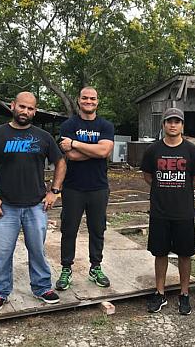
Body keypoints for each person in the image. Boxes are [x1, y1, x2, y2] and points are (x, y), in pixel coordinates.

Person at [0, 91, 66, 312]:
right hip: (4, 207)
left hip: (36, 206)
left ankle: (42, 287)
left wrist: (54, 191)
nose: (26, 111)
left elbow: (60, 162)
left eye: (30, 108)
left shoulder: (43, 137)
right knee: (2, 252)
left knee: (37, 250)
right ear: (12, 105)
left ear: (35, 111)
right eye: (22, 107)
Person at [140, 107, 195, 315]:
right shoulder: (153, 150)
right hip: (160, 212)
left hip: (183, 213)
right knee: (160, 253)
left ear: (182, 125)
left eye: (177, 121)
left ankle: (184, 294)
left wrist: (181, 191)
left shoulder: (192, 151)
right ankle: (160, 293)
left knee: (185, 254)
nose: (173, 125)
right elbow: (148, 176)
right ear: (164, 124)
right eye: (169, 121)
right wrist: (162, 189)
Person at [56, 86, 114, 290]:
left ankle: (95, 267)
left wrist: (76, 144)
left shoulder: (105, 125)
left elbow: (105, 151)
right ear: (78, 100)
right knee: (69, 229)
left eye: (93, 98)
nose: (89, 101)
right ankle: (66, 269)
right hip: (73, 187)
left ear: (98, 102)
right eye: (85, 98)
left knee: (97, 229)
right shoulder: (68, 125)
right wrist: (95, 150)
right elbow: (69, 155)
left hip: (98, 187)